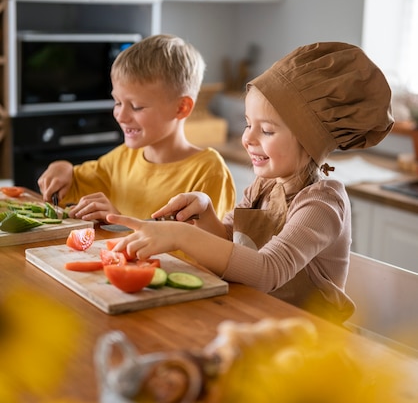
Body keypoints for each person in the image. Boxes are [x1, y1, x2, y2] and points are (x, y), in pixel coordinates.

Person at [106, 41, 394, 323]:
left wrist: (180, 235)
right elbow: (230, 245)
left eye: (266, 130)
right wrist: (205, 213)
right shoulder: (263, 187)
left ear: (310, 142)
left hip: (312, 345)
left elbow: (267, 270)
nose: (247, 138)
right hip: (257, 322)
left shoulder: (321, 203)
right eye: (248, 124)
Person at [38, 34, 236, 221]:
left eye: (136, 106)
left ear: (181, 108)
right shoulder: (121, 159)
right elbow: (72, 181)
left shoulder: (208, 172)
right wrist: (61, 167)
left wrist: (122, 224)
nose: (121, 116)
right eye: (117, 102)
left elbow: (206, 252)